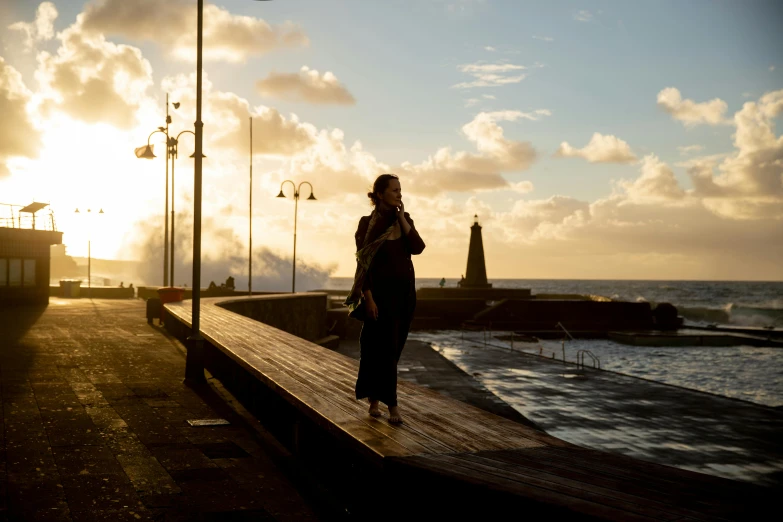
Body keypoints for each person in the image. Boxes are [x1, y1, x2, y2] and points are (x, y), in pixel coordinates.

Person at [345, 173, 425, 424]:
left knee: (393, 349)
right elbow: (363, 264)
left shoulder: (404, 220)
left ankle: (375, 399)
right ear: (379, 194)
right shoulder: (366, 224)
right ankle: (393, 407)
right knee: (379, 349)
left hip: (405, 297)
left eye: (400, 190)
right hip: (379, 297)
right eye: (394, 190)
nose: (399, 194)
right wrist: (368, 298)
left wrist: (402, 217)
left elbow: (418, 247)